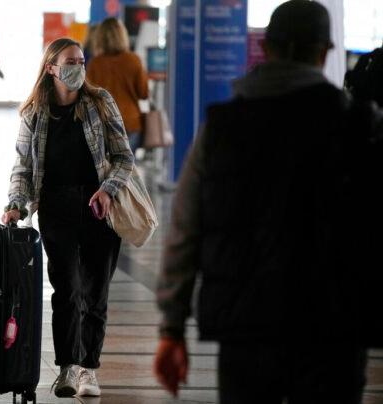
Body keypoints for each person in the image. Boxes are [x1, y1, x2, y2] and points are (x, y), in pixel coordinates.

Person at [153, 1, 383, 403]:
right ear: (324, 51)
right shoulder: (358, 125)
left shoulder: (221, 127)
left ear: (267, 48)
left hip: (246, 325)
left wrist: (172, 328)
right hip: (335, 324)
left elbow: (185, 226)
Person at [1, 37, 134, 398]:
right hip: (57, 208)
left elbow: (124, 157)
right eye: (70, 62)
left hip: (99, 207)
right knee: (67, 289)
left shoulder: (100, 103)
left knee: (95, 291)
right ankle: (67, 368)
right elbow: (23, 166)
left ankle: (90, 368)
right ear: (51, 68)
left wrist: (107, 189)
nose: (78, 68)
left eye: (81, 61)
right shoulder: (34, 112)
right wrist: (16, 203)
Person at [87, 17, 148, 154]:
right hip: (131, 123)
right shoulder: (133, 60)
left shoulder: (95, 64)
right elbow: (144, 93)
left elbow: (88, 96)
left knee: (106, 169)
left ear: (100, 38)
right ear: (122, 36)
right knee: (127, 169)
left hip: (104, 124)